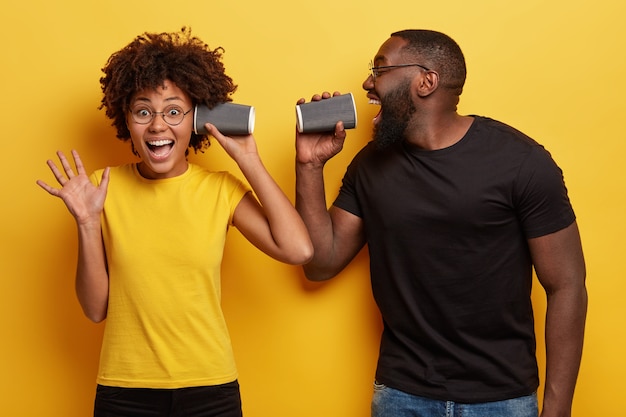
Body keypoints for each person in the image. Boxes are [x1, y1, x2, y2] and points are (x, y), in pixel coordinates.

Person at [294, 29, 587, 417]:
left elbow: (566, 285)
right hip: (402, 395)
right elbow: (320, 263)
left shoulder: (521, 162)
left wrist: (557, 410)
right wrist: (310, 166)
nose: (367, 82)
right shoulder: (369, 166)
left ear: (426, 81)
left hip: (502, 399)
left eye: (379, 69)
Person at [37, 28, 313, 417]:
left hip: (210, 390)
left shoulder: (219, 189)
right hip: (124, 390)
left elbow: (298, 248)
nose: (157, 125)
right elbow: (95, 309)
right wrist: (86, 222)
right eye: (143, 110)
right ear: (126, 119)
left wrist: (247, 159)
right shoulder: (100, 189)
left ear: (196, 119)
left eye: (173, 111)